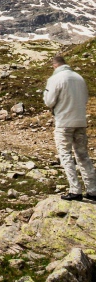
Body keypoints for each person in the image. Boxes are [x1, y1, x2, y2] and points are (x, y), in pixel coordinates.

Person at [43, 53, 96, 201]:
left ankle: (75, 190)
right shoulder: (79, 78)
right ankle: (92, 190)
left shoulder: (55, 79)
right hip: (80, 121)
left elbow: (49, 101)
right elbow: (85, 98)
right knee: (83, 155)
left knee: (65, 154)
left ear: (54, 65)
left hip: (63, 123)